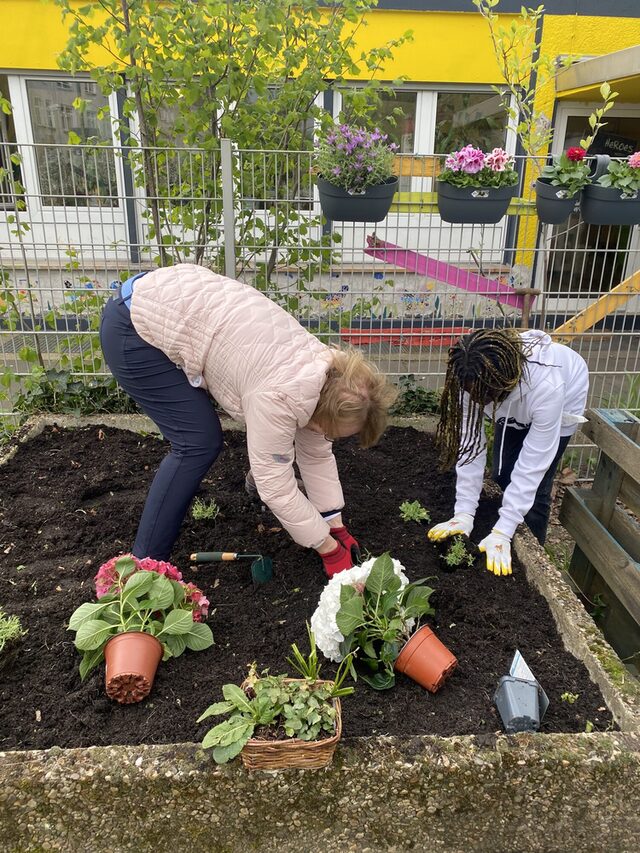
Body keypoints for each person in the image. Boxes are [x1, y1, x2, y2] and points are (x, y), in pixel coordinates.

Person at [99, 264, 396, 577]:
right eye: (332, 432)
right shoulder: (279, 395)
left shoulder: (326, 375)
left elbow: (316, 453)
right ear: (325, 410)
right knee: (197, 441)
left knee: (265, 443)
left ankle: (252, 489)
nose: (330, 438)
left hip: (174, 300)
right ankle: (144, 567)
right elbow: (276, 486)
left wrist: (335, 525)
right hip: (133, 326)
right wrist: (328, 548)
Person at [428, 328, 589, 576]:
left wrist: (503, 530)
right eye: (473, 395)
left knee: (537, 488)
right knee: (503, 476)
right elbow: (470, 446)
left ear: (502, 383)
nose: (479, 401)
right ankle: (501, 532)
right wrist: (463, 513)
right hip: (514, 394)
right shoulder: (468, 377)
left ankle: (532, 559)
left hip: (566, 396)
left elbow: (533, 463)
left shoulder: (547, 386)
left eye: (486, 396)